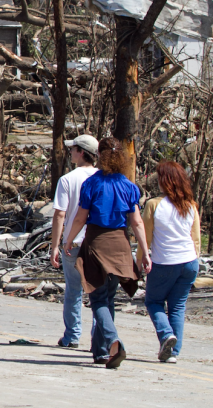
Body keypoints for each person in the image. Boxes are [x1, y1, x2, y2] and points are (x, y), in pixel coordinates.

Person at [65, 137, 151, 369]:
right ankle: (101, 352)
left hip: (97, 242)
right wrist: (145, 251)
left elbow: (81, 217)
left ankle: (113, 342)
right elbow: (137, 222)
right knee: (108, 298)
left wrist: (69, 239)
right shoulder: (128, 186)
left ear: (100, 156)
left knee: (98, 298)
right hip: (121, 244)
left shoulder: (92, 184)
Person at [140, 161, 200, 364]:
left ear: (164, 181)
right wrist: (195, 260)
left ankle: (166, 335)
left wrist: (142, 258)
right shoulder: (190, 205)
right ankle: (173, 353)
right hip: (189, 262)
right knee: (177, 307)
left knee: (153, 301)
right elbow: (196, 238)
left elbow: (145, 237)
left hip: (164, 262)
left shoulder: (154, 205)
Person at [49, 134, 99, 349]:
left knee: (73, 291)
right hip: (98, 243)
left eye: (73, 149)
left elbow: (60, 214)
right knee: (98, 292)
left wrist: (55, 245)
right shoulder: (103, 178)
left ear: (81, 152)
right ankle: (100, 336)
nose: (70, 152)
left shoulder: (68, 179)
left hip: (74, 242)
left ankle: (72, 335)